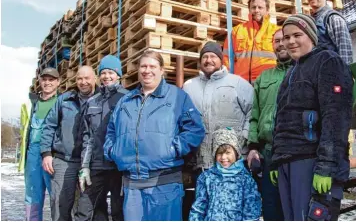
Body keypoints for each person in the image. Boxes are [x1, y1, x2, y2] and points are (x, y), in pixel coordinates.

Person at [103, 50, 205, 221]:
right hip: (132, 185)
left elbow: (195, 129)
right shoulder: (125, 101)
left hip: (164, 184)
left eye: (152, 66)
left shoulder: (177, 97)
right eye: (143, 66)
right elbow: (111, 131)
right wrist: (113, 151)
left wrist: (174, 148)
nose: (147, 70)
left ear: (162, 70)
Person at [270, 14, 353, 221]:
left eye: (297, 35)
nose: (290, 41)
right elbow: (281, 119)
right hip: (287, 161)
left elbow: (336, 118)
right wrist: (275, 159)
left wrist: (326, 166)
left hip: (310, 160)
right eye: (286, 37)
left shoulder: (328, 62)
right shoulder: (291, 72)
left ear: (311, 36)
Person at [183, 41, 254, 170]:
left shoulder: (238, 83)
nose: (208, 60)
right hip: (201, 163)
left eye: (213, 56)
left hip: (232, 162)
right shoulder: (189, 87)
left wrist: (243, 137)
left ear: (221, 60)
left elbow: (253, 112)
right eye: (204, 57)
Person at [40, 65, 98, 221]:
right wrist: (46, 153)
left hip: (91, 163)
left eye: (87, 78)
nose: (83, 82)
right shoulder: (65, 100)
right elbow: (48, 126)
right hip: (64, 161)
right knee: (60, 203)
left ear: (95, 79)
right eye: (79, 78)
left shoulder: (101, 100)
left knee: (86, 207)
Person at [76, 55, 128, 221]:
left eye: (111, 72)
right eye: (103, 73)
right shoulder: (93, 101)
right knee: (87, 208)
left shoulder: (127, 98)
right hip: (97, 165)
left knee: (119, 210)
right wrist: (85, 167)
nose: (107, 76)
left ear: (118, 75)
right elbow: (88, 136)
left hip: (119, 167)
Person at [246, 29, 290, 221]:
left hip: (294, 153)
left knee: (295, 208)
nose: (280, 44)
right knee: (271, 208)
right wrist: (253, 147)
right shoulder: (264, 78)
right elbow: (254, 114)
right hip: (268, 153)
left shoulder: (303, 72)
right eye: (276, 41)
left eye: (284, 39)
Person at [189, 128, 261, 221]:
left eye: (228, 153)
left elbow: (251, 213)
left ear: (236, 153)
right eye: (219, 153)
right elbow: (198, 208)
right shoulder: (206, 178)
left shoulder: (246, 180)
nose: (223, 157)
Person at [19, 67, 60, 221]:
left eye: (51, 80)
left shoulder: (62, 102)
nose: (47, 83)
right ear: (40, 81)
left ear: (58, 82)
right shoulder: (32, 103)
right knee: (32, 195)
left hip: (53, 155)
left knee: (57, 195)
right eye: (44, 79)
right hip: (33, 155)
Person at [223, 0, 281, 84]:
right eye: (253, 7)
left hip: (269, 84)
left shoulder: (277, 31)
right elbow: (227, 59)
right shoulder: (237, 31)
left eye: (260, 7)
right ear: (249, 10)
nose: (256, 10)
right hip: (242, 84)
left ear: (267, 10)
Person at [306, 0, 353, 64]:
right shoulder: (311, 21)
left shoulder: (333, 18)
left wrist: (344, 72)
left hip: (331, 71)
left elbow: (344, 48)